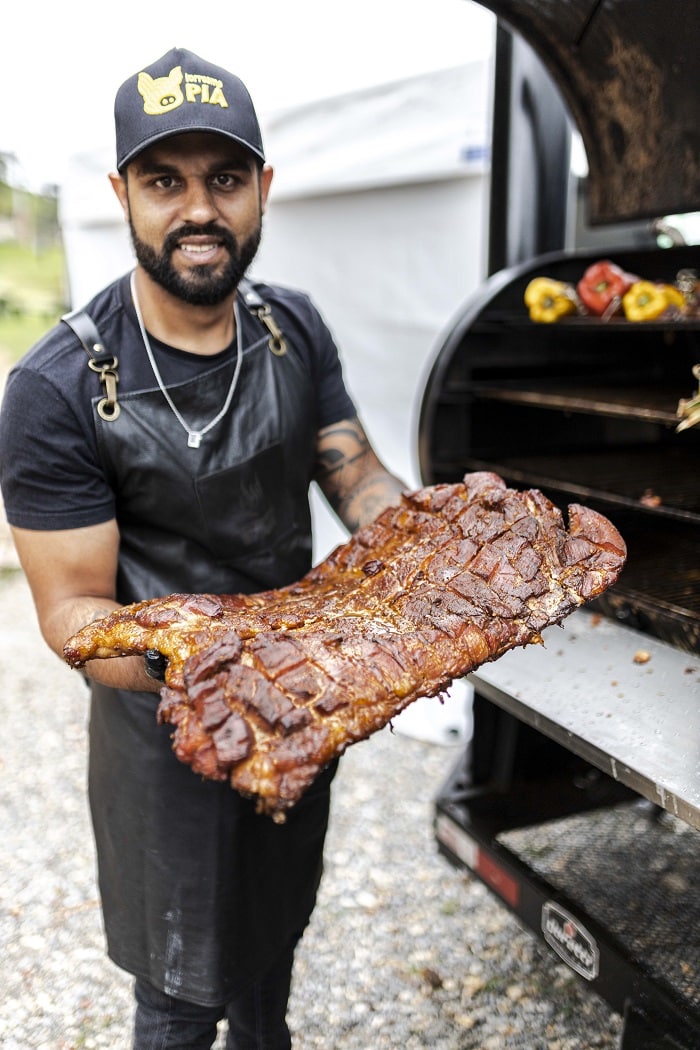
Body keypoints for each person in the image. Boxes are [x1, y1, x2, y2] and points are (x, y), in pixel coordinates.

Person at [0, 47, 406, 1049]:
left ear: (262, 188)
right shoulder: (56, 385)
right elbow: (74, 618)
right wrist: (230, 663)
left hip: (301, 712)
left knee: (271, 955)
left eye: (224, 179)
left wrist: (436, 559)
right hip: (164, 736)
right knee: (181, 1000)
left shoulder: (292, 329)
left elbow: (354, 473)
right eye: (163, 180)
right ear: (121, 194)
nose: (198, 209)